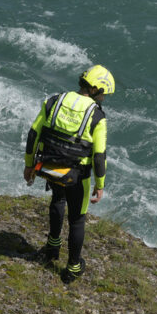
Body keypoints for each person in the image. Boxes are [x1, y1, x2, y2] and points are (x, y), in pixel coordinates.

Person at [23, 65, 114, 284]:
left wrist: (29, 165)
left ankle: (53, 247)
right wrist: (99, 184)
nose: (103, 98)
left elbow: (33, 133)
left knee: (57, 199)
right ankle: (73, 267)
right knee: (77, 219)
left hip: (50, 167)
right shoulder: (97, 116)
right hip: (76, 175)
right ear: (94, 89)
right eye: (103, 93)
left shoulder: (54, 101)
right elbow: (99, 156)